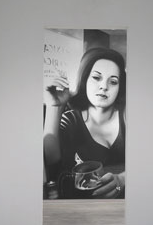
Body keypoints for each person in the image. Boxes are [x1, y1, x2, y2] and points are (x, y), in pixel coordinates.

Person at [43, 47, 126, 198]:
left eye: (113, 81)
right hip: (86, 206)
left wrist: (123, 179)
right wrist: (53, 106)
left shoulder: (129, 114)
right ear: (84, 79)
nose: (104, 86)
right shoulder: (71, 119)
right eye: (96, 77)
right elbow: (51, 160)